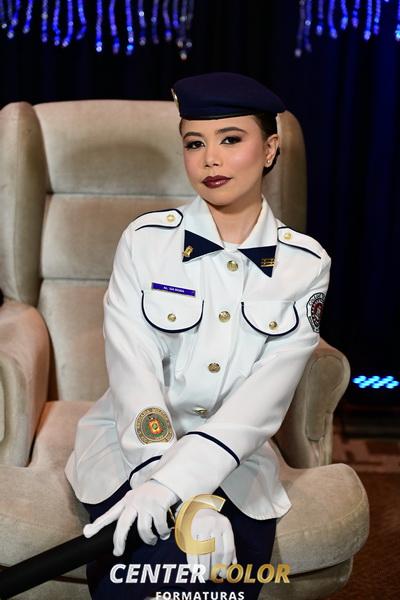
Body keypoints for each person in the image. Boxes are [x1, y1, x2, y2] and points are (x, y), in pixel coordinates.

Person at [65, 71, 331, 599]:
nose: (210, 160)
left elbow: (263, 400)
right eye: (194, 143)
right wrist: (167, 488)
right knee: (147, 581)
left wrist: (184, 489)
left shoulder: (305, 264)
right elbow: (133, 372)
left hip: (235, 463)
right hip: (133, 452)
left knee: (217, 585)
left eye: (230, 139)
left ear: (270, 149)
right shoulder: (144, 242)